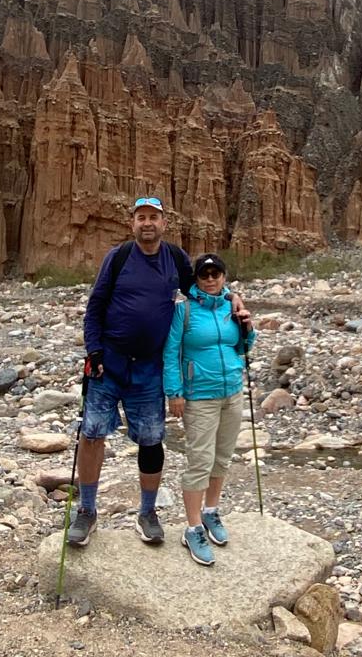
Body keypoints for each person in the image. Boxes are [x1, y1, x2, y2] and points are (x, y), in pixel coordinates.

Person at [68, 198, 249, 547]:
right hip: (109, 362)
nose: (147, 223)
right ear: (132, 223)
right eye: (141, 218)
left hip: (150, 367)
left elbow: (200, 289)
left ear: (164, 224)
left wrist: (232, 297)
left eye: (153, 217)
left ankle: (148, 512)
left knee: (151, 440)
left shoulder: (175, 258)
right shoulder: (117, 258)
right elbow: (96, 307)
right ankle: (87, 511)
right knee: (91, 434)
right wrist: (93, 350)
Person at [163, 252, 256, 566]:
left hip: (232, 392)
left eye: (216, 273)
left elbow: (242, 347)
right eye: (205, 274)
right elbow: (171, 353)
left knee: (222, 456)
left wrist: (249, 328)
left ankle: (210, 512)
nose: (211, 278)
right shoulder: (184, 311)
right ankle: (191, 528)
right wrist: (174, 393)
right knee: (199, 460)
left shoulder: (232, 307)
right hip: (199, 396)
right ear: (197, 279)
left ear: (224, 277)